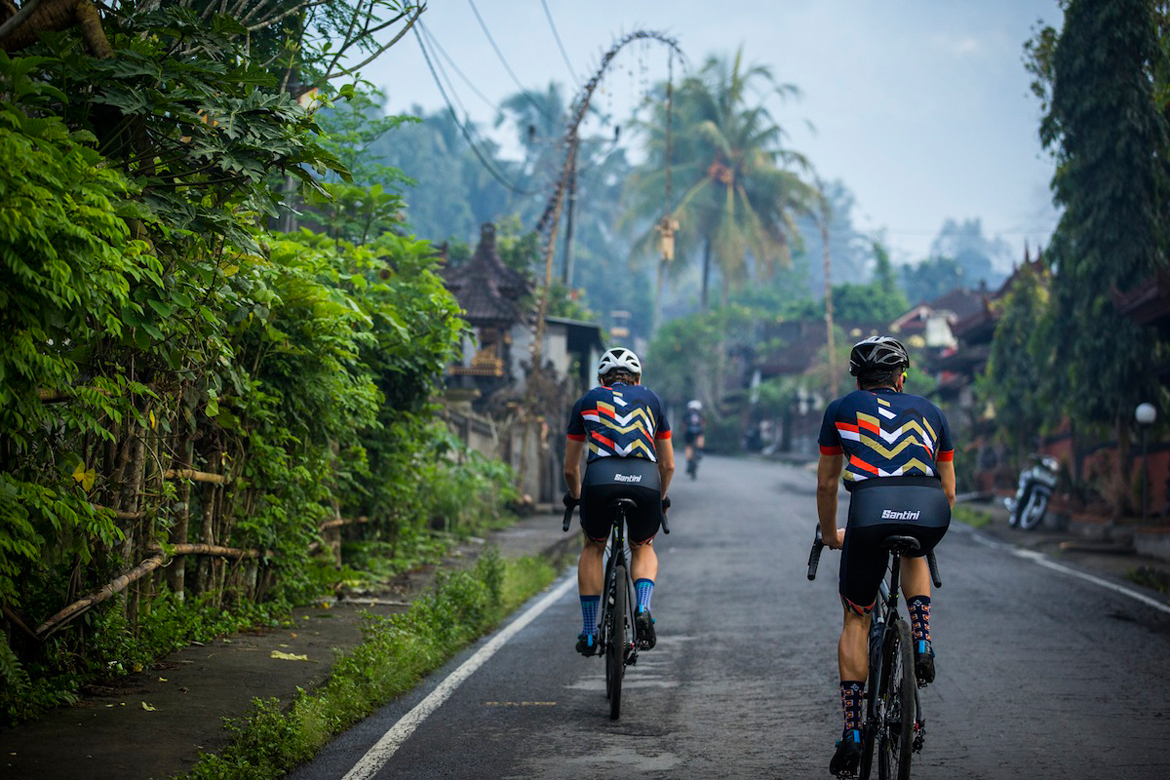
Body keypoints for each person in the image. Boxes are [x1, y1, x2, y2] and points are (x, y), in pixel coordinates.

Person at [816, 336, 955, 777]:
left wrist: (829, 534)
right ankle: (922, 638)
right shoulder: (933, 412)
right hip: (929, 508)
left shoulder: (842, 408)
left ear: (858, 378)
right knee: (915, 542)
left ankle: (854, 731)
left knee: (857, 616)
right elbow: (949, 489)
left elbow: (826, 484)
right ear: (901, 377)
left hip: (870, 510)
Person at [564, 347, 675, 656]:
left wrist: (575, 497)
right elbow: (668, 465)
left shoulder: (586, 402)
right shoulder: (652, 401)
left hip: (599, 481)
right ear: (637, 378)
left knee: (593, 546)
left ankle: (588, 633)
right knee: (642, 546)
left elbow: (571, 467)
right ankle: (642, 606)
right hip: (645, 481)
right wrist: (661, 498)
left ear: (602, 379)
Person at [683, 400, 705, 477]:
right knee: (701, 436)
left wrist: (684, 433)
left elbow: (684, 424)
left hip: (689, 431)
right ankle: (699, 450)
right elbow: (703, 423)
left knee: (688, 446)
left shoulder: (687, 414)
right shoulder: (700, 414)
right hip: (698, 430)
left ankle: (689, 462)